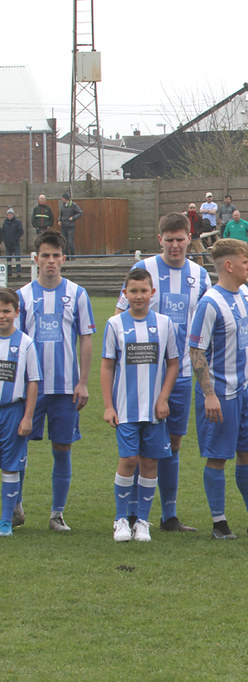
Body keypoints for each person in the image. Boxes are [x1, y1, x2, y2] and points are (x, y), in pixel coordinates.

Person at [114, 212, 211, 533]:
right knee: (138, 446)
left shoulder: (199, 274)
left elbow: (211, 321)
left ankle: (168, 515)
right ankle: (130, 514)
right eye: (168, 240)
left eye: (180, 239)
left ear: (189, 238)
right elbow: (120, 315)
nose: (174, 245)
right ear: (160, 240)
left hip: (182, 372)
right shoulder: (145, 271)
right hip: (143, 375)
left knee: (173, 443)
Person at [188, 238, 248, 540]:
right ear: (229, 265)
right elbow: (196, 351)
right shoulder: (209, 304)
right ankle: (219, 522)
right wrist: (209, 394)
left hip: (245, 389)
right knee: (218, 456)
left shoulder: (244, 293)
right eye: (245, 261)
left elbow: (246, 333)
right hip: (220, 393)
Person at [16, 231, 95, 532]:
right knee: (18, 447)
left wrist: (83, 382)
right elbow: (17, 343)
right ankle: (16, 507)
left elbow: (85, 340)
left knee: (62, 449)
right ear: (35, 258)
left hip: (65, 389)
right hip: (30, 389)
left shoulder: (77, 294)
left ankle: (57, 514)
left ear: (64, 258)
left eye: (55, 255)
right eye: (45, 255)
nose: (50, 261)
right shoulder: (23, 296)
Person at [102, 269, 179, 542]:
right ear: (125, 294)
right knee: (128, 461)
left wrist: (163, 398)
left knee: (149, 463)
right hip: (125, 408)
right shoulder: (114, 324)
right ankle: (121, 519)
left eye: (143, 291)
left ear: (152, 293)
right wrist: (108, 406)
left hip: (155, 411)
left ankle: (143, 521)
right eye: (133, 291)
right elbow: (107, 365)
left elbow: (173, 363)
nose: (138, 296)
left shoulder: (165, 323)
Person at [0, 288, 41, 537]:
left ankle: (6, 520)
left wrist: (27, 417)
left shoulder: (25, 342)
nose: (1, 316)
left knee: (11, 467)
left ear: (16, 312)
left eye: (6, 311)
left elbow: (33, 381)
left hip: (13, 411)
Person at [58, 193, 83, 257]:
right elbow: (61, 214)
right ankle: (66, 256)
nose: (62, 199)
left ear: (66, 199)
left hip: (71, 226)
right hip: (63, 226)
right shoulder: (62, 206)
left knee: (70, 242)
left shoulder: (73, 205)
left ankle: (73, 256)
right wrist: (59, 220)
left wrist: (73, 218)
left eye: (63, 198)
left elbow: (80, 212)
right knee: (64, 242)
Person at [2, 208, 23, 277]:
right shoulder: (5, 223)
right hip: (8, 244)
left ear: (13, 215)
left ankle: (18, 272)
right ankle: (9, 272)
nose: (9, 216)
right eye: (8, 215)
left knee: (17, 258)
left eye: (10, 214)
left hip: (16, 244)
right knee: (8, 259)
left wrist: (16, 238)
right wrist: (5, 240)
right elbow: (3, 232)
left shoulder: (17, 222)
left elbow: (21, 231)